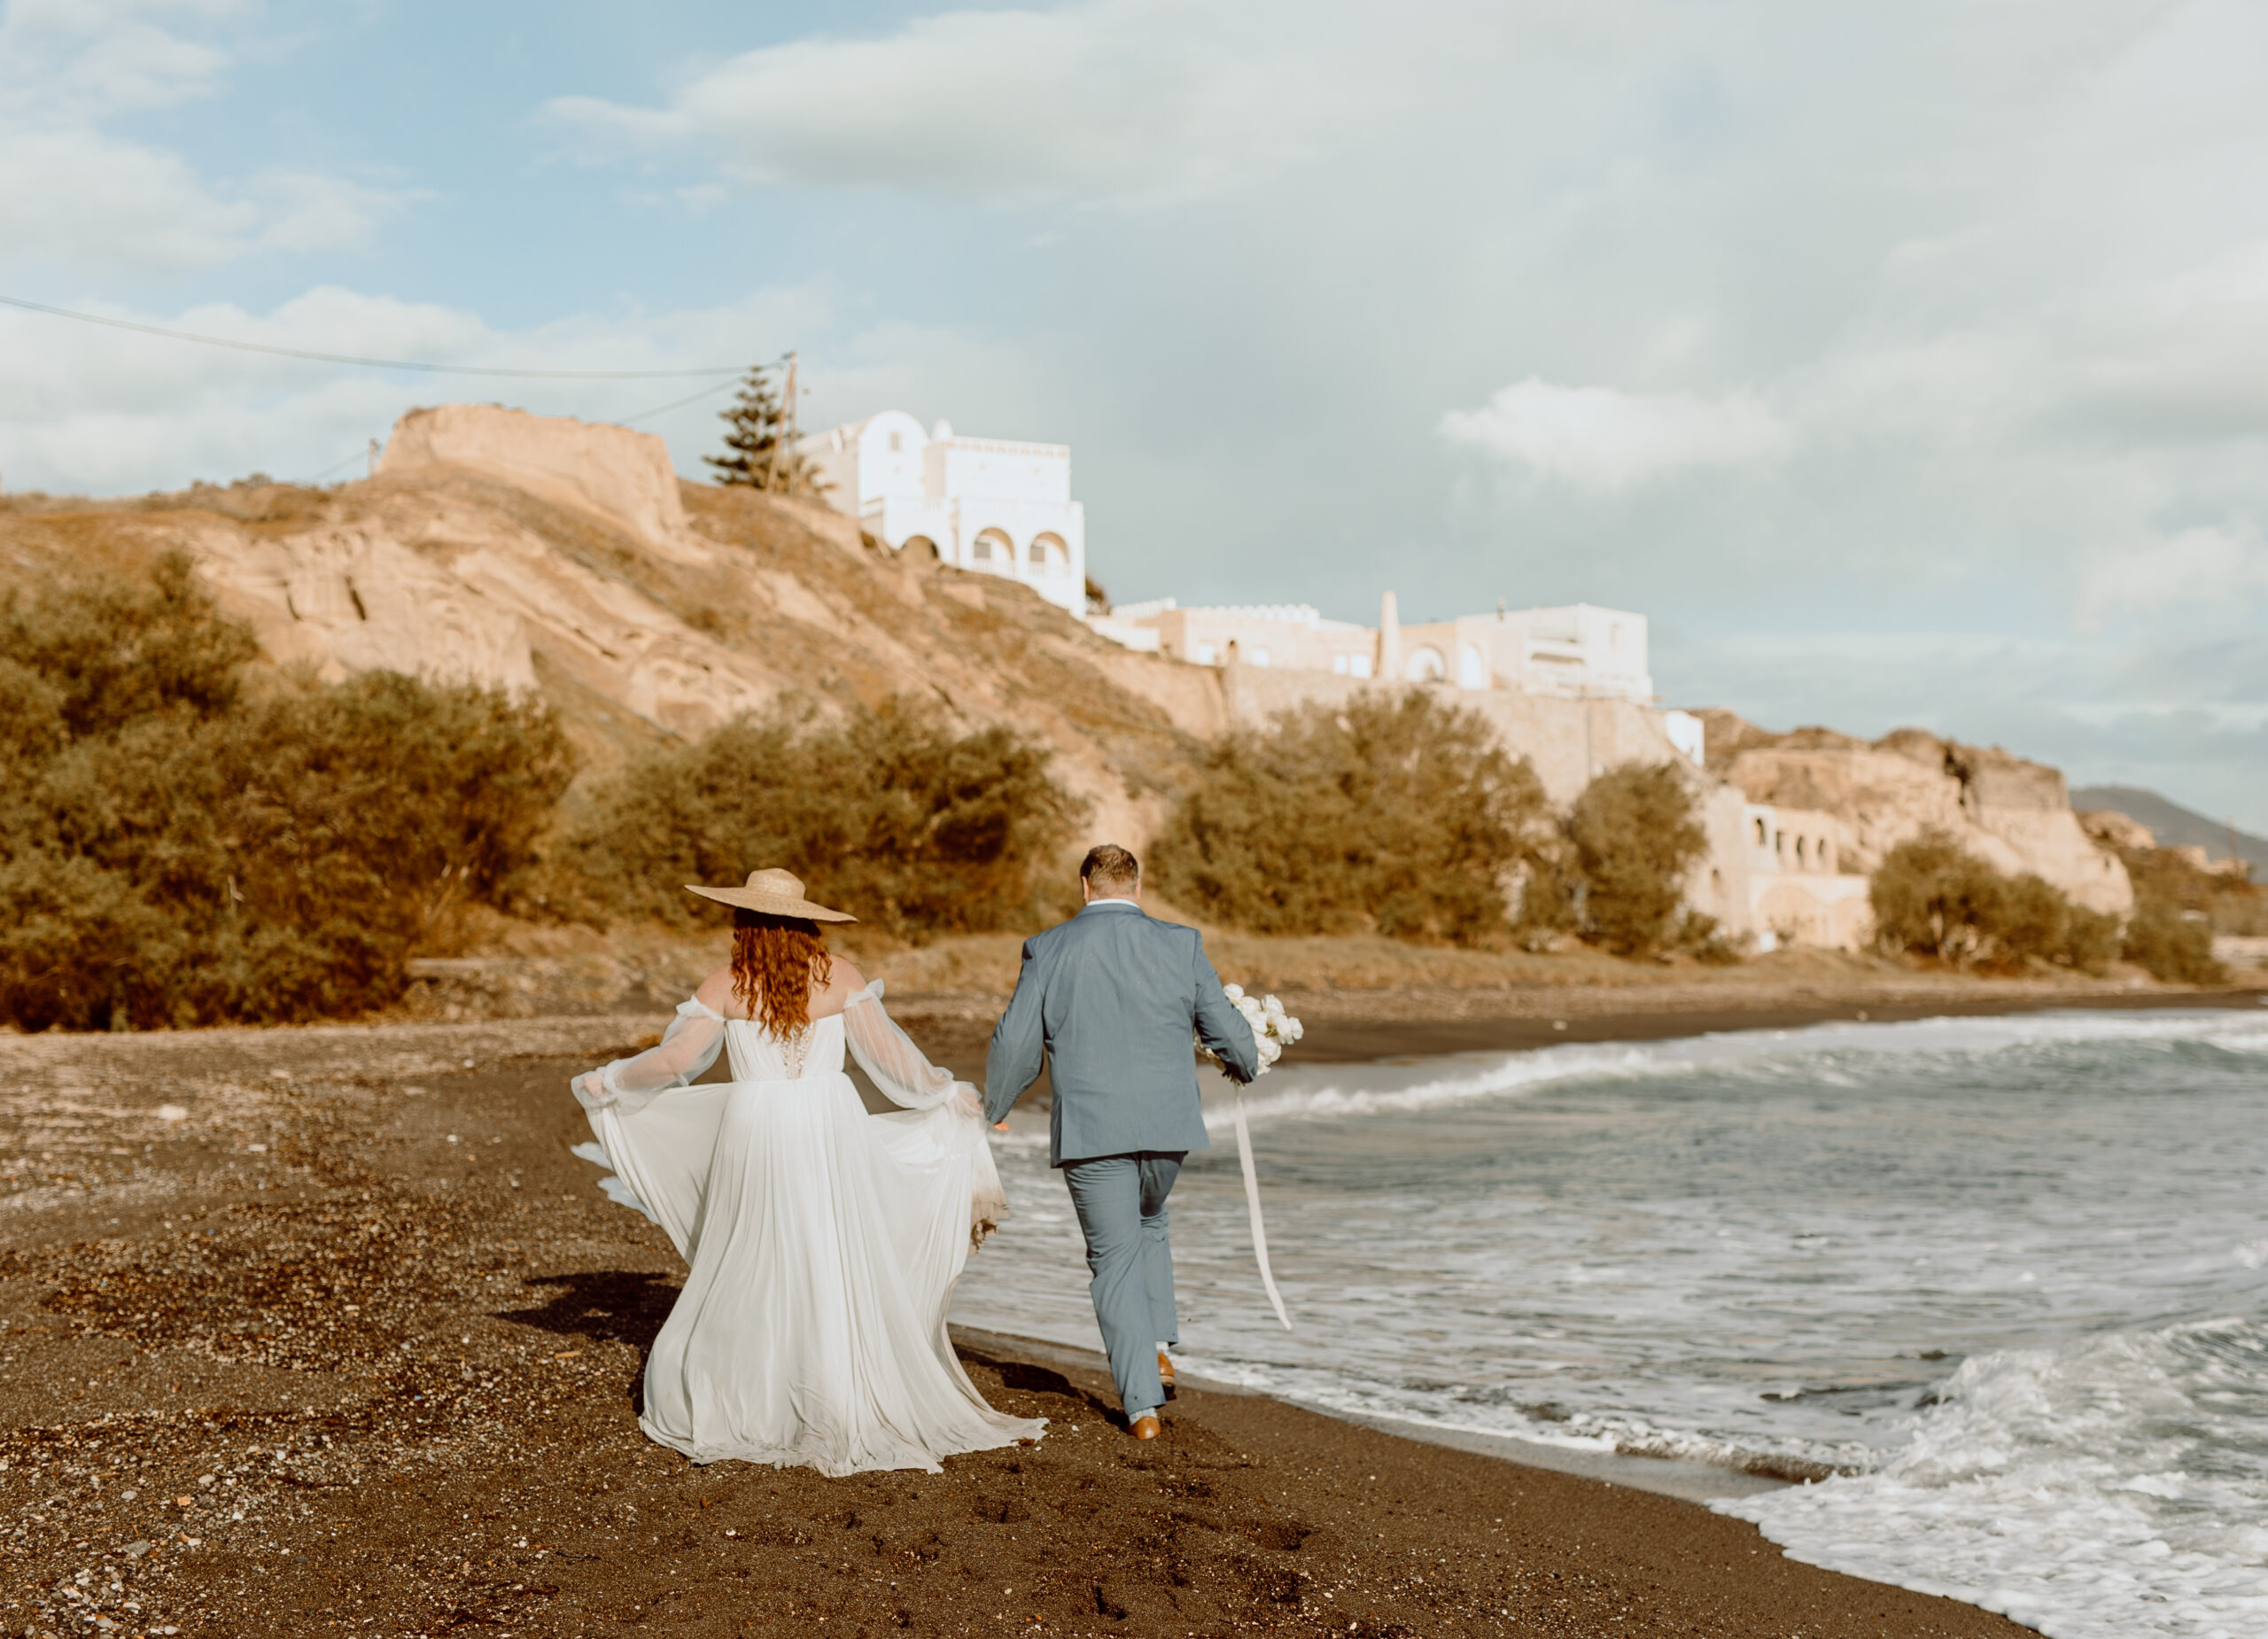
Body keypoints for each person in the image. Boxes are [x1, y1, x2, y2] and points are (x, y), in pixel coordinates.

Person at [570, 868, 1044, 1475]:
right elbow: (891, 1058)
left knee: (760, 1250)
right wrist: (944, 1092)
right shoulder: (839, 975)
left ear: (743, 921)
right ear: (805, 922)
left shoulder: (726, 983)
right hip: (828, 1120)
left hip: (757, 1124)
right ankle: (837, 1392)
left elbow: (676, 1059)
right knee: (831, 1248)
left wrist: (608, 1080)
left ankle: (766, 1392)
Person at [983, 843, 1261, 1439]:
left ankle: (1140, 1407)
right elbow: (1225, 1030)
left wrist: (996, 1105)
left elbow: (1014, 1041)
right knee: (1151, 1221)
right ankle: (1159, 1348)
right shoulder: (1181, 942)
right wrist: (1246, 1062)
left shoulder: (1048, 947)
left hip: (1092, 1128)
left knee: (1112, 1258)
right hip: (1168, 1126)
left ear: (1085, 886)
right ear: (1137, 886)